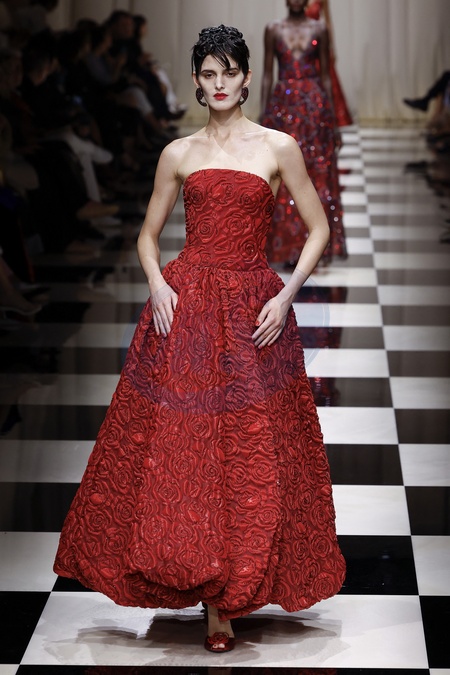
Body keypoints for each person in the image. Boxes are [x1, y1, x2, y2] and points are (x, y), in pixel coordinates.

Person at [53, 24, 345, 654]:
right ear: (195, 80)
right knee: (188, 447)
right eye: (208, 74)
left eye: (228, 73)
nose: (218, 84)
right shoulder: (178, 153)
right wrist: (158, 283)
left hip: (253, 309)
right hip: (186, 307)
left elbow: (319, 228)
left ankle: (237, 585)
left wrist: (285, 295)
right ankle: (211, 593)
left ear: (246, 77)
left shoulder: (279, 146)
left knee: (250, 449)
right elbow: (147, 235)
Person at [261, 0, 347, 266]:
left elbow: (326, 76)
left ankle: (316, 243)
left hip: (315, 109)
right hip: (282, 107)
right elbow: (267, 74)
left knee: (316, 172)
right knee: (283, 173)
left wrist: (333, 121)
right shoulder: (273, 29)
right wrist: (262, 116)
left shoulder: (319, 28)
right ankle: (287, 245)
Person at [305, 0, 352, 127]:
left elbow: (328, 22)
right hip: (302, 46)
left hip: (318, 43)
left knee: (326, 77)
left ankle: (330, 116)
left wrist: (332, 47)